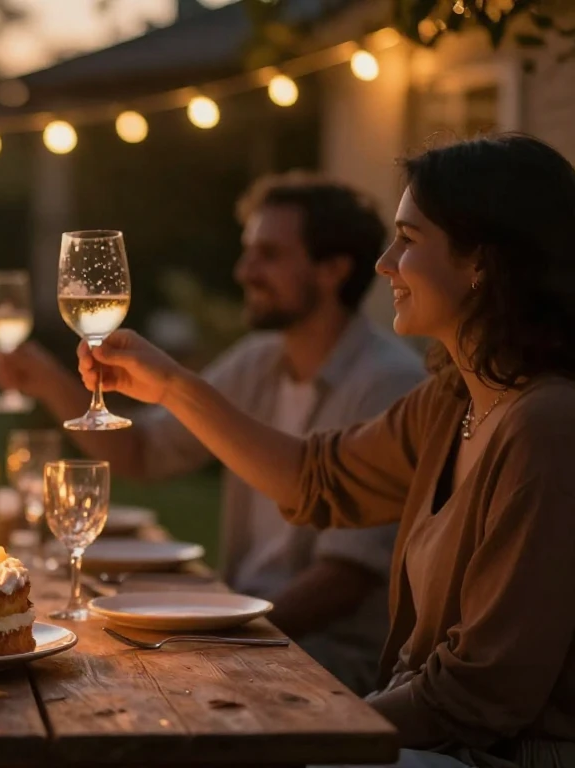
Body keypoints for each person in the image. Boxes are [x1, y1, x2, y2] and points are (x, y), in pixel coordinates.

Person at [79, 134, 575, 766]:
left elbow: (483, 693)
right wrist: (172, 386)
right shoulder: (453, 399)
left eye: (410, 240)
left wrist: (314, 728)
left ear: (483, 261)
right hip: (429, 734)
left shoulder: (547, 426)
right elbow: (315, 478)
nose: (384, 262)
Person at [0, 173, 423, 693]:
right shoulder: (258, 362)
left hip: (324, 656)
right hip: (244, 626)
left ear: (333, 269)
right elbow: (143, 453)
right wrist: (47, 378)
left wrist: (223, 634)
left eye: (268, 254)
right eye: (248, 253)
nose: (245, 271)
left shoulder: (389, 381)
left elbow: (345, 579)